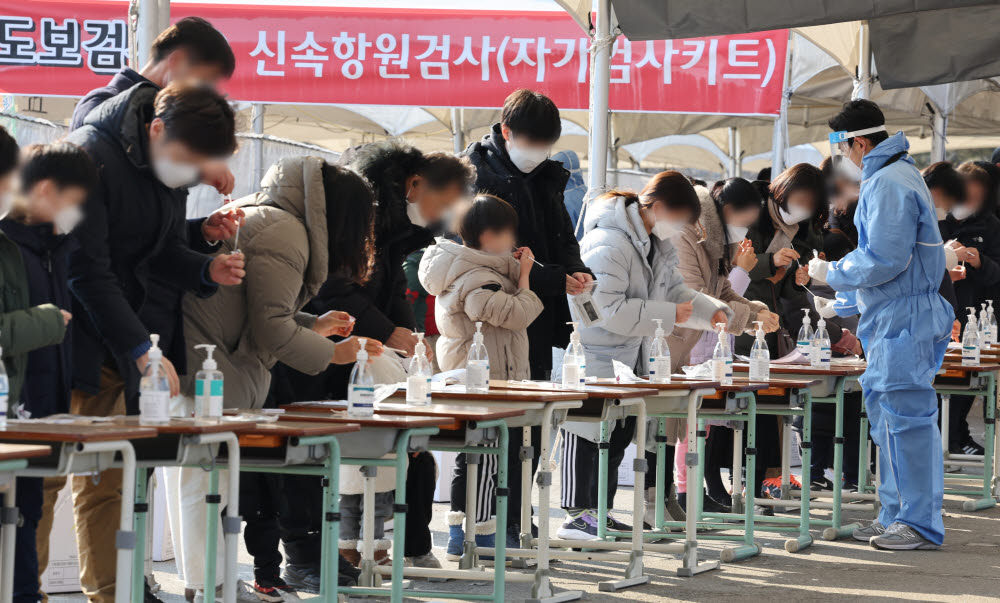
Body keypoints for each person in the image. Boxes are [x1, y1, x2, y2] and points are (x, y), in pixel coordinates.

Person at [33, 82, 242, 603]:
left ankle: (110, 594)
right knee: (42, 480)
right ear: (154, 127)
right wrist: (141, 348)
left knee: (108, 482)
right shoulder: (91, 156)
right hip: (65, 342)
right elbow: (87, 270)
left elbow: (152, 250)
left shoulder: (161, 165)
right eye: (189, 160)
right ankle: (18, 591)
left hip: (118, 344)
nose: (190, 172)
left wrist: (203, 257)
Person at [176, 156, 380, 600]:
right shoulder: (286, 231)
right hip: (213, 370)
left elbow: (263, 313)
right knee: (208, 486)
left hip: (209, 361)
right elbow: (270, 326)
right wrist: (335, 352)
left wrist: (316, 325)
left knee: (202, 483)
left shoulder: (268, 215)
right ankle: (210, 587)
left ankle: (206, 585)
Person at [269, 140, 474, 571]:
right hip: (331, 355)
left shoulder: (396, 228)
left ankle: (404, 545)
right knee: (344, 461)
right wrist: (387, 330)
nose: (444, 214)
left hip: (362, 353)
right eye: (445, 201)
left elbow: (392, 289)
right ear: (414, 183)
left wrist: (403, 334)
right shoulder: (357, 213)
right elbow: (334, 289)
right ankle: (330, 554)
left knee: (409, 449)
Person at [808, 99, 953, 550]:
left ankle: (919, 523)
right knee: (889, 420)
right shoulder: (892, 175)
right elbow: (890, 258)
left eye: (843, 146)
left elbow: (886, 259)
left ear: (860, 142)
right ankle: (896, 514)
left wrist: (834, 275)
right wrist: (844, 300)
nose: (843, 156)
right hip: (894, 312)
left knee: (906, 419)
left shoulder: (888, 181)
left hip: (904, 314)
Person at [558, 171, 731, 539]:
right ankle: (577, 515)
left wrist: (712, 310)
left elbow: (677, 291)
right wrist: (669, 315)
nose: (680, 229)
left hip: (626, 356)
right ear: (661, 207)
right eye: (682, 220)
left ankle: (598, 513)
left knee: (615, 438)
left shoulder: (654, 243)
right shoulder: (609, 242)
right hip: (595, 352)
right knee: (586, 435)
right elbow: (607, 308)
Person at [463, 89, 593, 543]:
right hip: (489, 321)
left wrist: (574, 270)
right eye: (531, 142)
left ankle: (517, 517)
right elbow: (495, 255)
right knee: (483, 429)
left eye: (546, 145)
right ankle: (475, 525)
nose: (539, 153)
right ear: (505, 132)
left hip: (536, 312)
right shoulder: (474, 176)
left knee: (532, 421)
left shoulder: (547, 176)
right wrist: (555, 277)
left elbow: (560, 235)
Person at [418, 194, 543, 557]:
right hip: (482, 379)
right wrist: (524, 279)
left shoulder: (469, 267)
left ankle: (468, 534)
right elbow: (514, 314)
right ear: (488, 234)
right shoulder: (476, 276)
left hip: (483, 374)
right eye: (506, 231)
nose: (512, 239)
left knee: (478, 458)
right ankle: (475, 534)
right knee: (482, 459)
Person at [0, 139, 94, 603]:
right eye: (72, 202)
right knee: (11, 516)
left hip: (43, 407)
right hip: (12, 406)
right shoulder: (9, 246)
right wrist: (45, 321)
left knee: (29, 511)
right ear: (44, 189)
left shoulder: (55, 245)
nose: (75, 213)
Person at [669, 179, 779, 513]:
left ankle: (690, 491)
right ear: (727, 210)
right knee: (685, 427)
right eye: (743, 220)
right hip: (687, 340)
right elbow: (700, 295)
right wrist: (744, 282)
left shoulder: (713, 240)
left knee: (700, 426)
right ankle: (683, 492)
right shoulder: (691, 235)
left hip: (710, 340)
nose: (744, 229)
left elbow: (724, 291)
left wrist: (756, 313)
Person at [936, 162, 1000, 457]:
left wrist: (978, 262)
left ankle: (958, 436)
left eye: (975, 198)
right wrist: (945, 264)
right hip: (938, 308)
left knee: (966, 379)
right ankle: (942, 439)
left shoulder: (991, 226)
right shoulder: (935, 218)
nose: (967, 204)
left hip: (974, 312)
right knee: (938, 377)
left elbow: (996, 273)